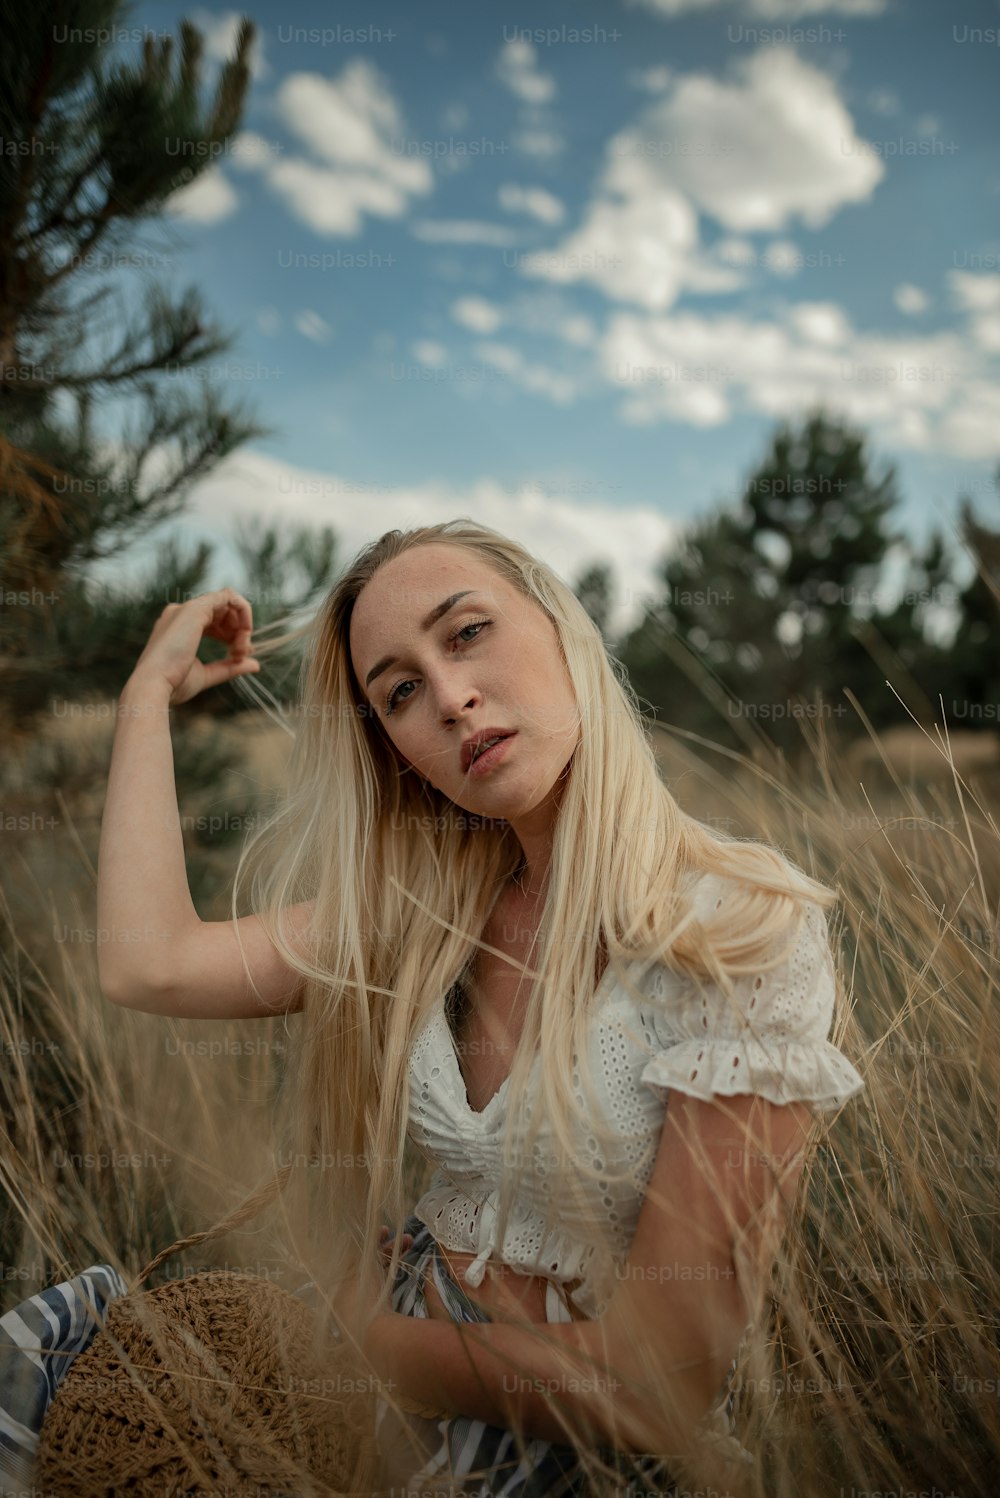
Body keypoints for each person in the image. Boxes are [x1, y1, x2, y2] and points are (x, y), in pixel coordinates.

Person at [2, 519, 865, 1496]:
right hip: (384, 1385)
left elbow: (654, 1384)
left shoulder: (736, 929)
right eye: (399, 691)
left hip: (569, 1454)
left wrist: (357, 1339)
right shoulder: (422, 910)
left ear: (560, 627)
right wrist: (145, 699)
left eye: (466, 634)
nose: (451, 698)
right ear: (394, 745)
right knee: (70, 1379)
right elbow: (148, 964)